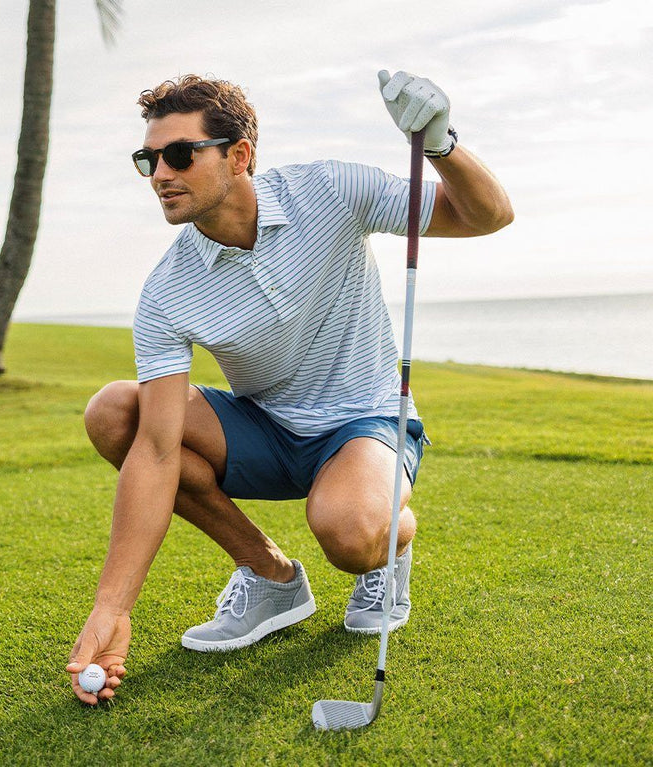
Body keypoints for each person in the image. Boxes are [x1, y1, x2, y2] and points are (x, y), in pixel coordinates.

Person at [66, 70, 513, 704]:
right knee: (115, 411)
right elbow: (159, 450)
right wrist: (111, 609)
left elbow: (486, 216)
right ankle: (270, 575)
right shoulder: (168, 290)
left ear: (239, 154)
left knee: (353, 534)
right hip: (265, 430)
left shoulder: (329, 190)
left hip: (366, 423)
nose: (160, 174)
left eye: (179, 155)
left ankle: (391, 542)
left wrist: (440, 143)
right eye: (149, 160)